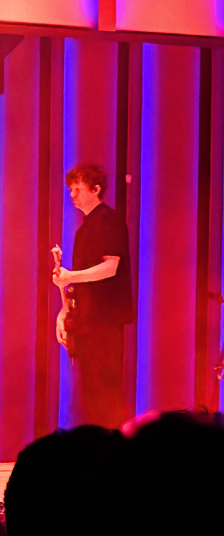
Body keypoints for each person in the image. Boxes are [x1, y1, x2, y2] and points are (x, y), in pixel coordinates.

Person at [52, 164, 134, 428]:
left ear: (96, 190)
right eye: (70, 190)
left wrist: (70, 276)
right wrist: (63, 313)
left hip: (104, 321)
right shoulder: (85, 228)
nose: (72, 195)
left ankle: (109, 450)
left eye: (78, 189)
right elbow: (79, 284)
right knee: (88, 393)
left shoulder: (108, 221)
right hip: (88, 320)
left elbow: (112, 267)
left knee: (104, 392)